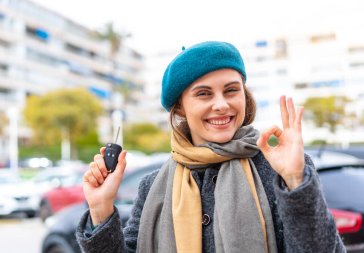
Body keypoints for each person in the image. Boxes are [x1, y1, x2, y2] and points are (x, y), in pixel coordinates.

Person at [76, 41, 346, 253]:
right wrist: (101, 209)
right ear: (180, 106)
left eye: (231, 90)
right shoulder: (152, 186)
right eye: (203, 93)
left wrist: (296, 182)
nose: (221, 104)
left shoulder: (277, 167)